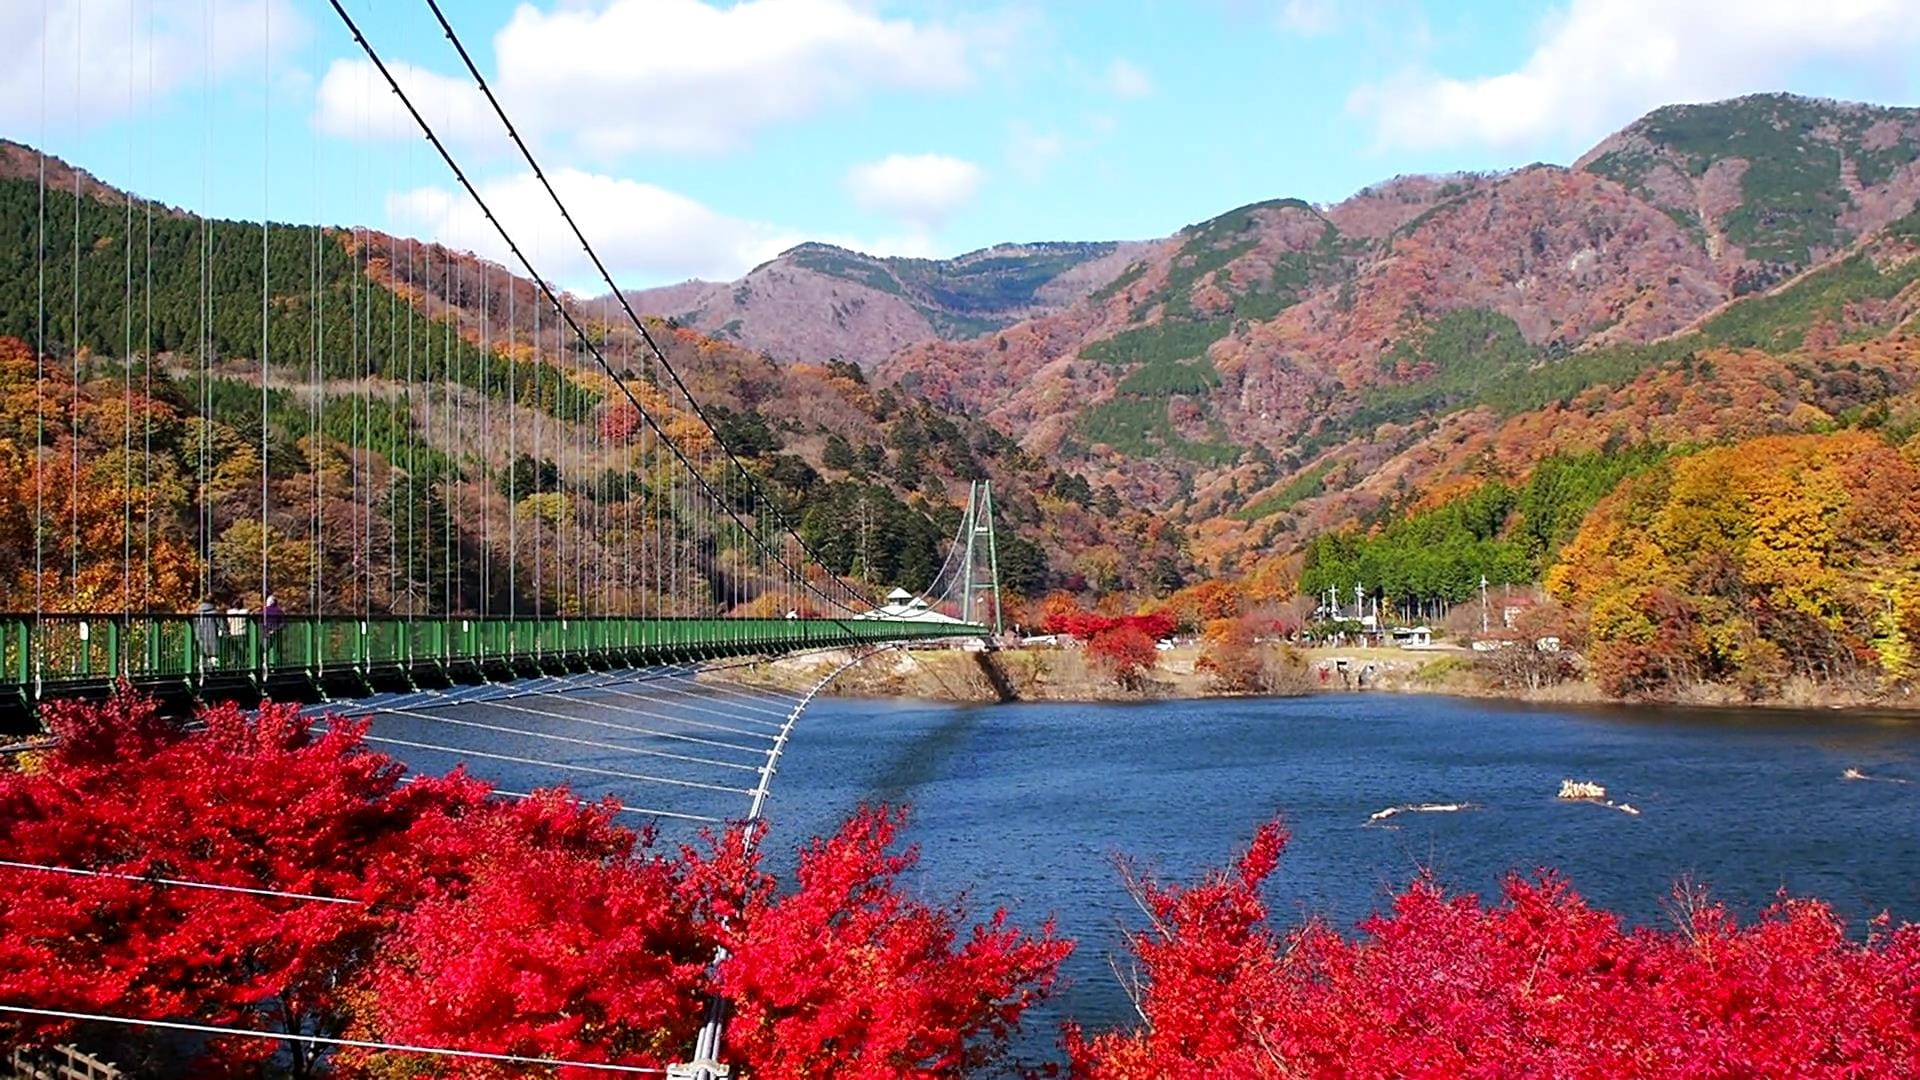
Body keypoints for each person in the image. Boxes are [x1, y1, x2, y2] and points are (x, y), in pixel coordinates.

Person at [193, 598, 221, 668]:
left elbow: (195, 625)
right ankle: (214, 670)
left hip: (200, 636)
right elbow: (221, 625)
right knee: (214, 654)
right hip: (213, 636)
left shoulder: (198, 613)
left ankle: (202, 669)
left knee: (202, 654)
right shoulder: (215, 613)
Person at [262, 593, 285, 663]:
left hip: (266, 632)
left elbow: (260, 620)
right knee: (277, 649)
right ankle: (278, 664)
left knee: (265, 649)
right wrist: (277, 628)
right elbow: (283, 623)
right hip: (277, 632)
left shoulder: (265, 611)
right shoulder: (279, 611)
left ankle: (264, 662)